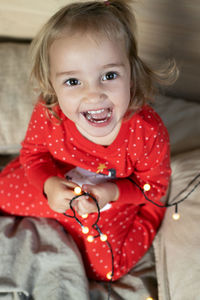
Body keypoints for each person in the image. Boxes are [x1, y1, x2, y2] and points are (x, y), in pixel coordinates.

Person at [0, 0, 177, 282]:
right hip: (57, 187)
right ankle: (56, 213)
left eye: (109, 75)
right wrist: (48, 185)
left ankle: (140, 222)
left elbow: (153, 187)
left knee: (106, 269)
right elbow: (33, 155)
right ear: (52, 85)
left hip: (109, 202)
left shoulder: (147, 131)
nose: (94, 95)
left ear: (132, 73)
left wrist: (111, 193)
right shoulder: (50, 112)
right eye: (73, 82)